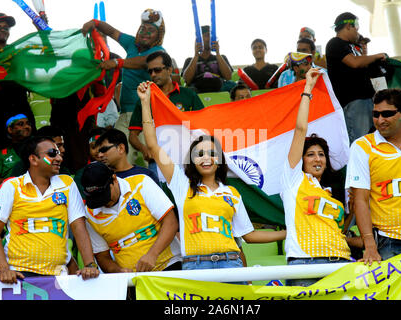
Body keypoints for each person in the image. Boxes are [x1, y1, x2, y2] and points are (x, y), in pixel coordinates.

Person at [137, 81, 286, 278]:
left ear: (220, 160)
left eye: (211, 153)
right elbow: (153, 146)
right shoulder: (182, 185)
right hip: (195, 267)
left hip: (231, 264)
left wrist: (289, 233)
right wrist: (146, 103)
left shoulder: (232, 193)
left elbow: (249, 236)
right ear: (192, 160)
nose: (206, 157)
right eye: (200, 154)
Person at [0, 136, 100, 283]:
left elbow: (78, 226)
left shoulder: (67, 183)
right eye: (52, 153)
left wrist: (89, 265)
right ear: (33, 160)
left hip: (59, 276)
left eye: (59, 153)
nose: (59, 158)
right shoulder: (12, 186)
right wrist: (4, 270)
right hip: (18, 275)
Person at [345, 88, 401, 266]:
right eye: (376, 114)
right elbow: (360, 200)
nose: (380, 120)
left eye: (387, 114)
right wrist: (369, 244)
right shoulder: (362, 146)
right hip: (388, 241)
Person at [281, 68, 352, 287]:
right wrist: (308, 89)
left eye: (321, 154)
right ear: (301, 160)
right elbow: (301, 129)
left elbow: (342, 227)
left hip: (340, 263)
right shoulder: (293, 180)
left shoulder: (333, 192)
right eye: (310, 154)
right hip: (305, 264)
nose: (317, 158)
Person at [82, 9, 166, 165]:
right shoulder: (132, 44)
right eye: (143, 28)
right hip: (124, 113)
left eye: (151, 30)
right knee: (117, 156)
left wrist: (117, 63)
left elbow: (145, 61)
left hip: (146, 115)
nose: (145, 33)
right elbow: (112, 31)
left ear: (159, 35)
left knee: (148, 159)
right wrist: (96, 23)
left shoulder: (158, 51)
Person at [81, 161, 181, 273]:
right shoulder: (90, 213)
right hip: (132, 279)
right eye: (96, 200)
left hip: (170, 265)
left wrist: (152, 255)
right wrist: (119, 271)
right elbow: (102, 256)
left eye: (105, 196)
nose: (104, 203)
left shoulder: (141, 183)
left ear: (114, 179)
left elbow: (171, 222)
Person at [129, 51, 204, 175]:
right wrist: (145, 149)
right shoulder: (144, 99)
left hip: (187, 158)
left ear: (169, 70)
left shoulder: (188, 95)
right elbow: (132, 135)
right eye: (150, 71)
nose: (153, 74)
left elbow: (203, 125)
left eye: (157, 70)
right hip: (158, 161)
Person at [326, 12, 387, 144]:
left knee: (371, 141)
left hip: (366, 100)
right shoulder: (335, 43)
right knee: (359, 142)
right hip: (353, 102)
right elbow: (354, 62)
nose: (357, 33)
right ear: (348, 26)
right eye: (356, 28)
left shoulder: (352, 47)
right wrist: (377, 56)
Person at [0, 13, 36, 160]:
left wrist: (41, 31)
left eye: (6, 28)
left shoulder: (16, 52)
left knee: (30, 147)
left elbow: (43, 58)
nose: (4, 30)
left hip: (20, 105)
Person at [95, 128, 159, 184]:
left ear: (121, 148)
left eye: (104, 150)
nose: (100, 155)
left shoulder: (146, 176)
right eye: (99, 152)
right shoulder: (100, 179)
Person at [182, 25, 234, 93]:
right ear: (199, 39)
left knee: (233, 85)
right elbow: (187, 81)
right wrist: (196, 56)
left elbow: (228, 77)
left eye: (212, 36)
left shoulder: (222, 57)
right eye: (207, 35)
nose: (211, 39)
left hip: (219, 88)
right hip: (198, 89)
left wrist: (218, 54)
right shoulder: (189, 60)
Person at [0, 114, 32, 187]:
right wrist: (16, 181)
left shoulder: (38, 147)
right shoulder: (0, 154)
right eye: (21, 124)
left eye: (28, 124)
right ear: (10, 129)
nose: (27, 127)